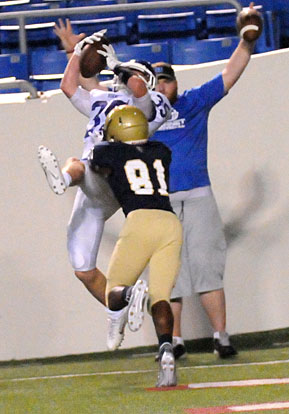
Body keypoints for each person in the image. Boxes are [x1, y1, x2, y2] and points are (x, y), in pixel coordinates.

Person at [38, 29, 172, 352]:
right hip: (95, 193)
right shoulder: (103, 97)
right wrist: (78, 52)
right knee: (83, 268)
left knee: (81, 163)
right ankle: (121, 304)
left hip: (115, 178)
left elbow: (140, 88)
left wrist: (119, 65)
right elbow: (68, 86)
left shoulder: (152, 103)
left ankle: (63, 180)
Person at [150, 2, 260, 360]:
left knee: (208, 269)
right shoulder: (139, 118)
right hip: (163, 202)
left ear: (176, 84)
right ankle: (176, 340)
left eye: (167, 80)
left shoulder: (193, 102)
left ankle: (221, 336)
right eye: (157, 81)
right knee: (172, 276)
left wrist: (246, 40)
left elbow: (230, 73)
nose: (163, 86)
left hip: (198, 196)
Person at [88, 104, 183, 387]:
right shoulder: (161, 151)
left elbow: (99, 162)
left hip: (139, 220)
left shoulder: (108, 152)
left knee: (112, 292)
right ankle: (166, 349)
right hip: (169, 222)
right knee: (161, 297)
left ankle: (131, 293)